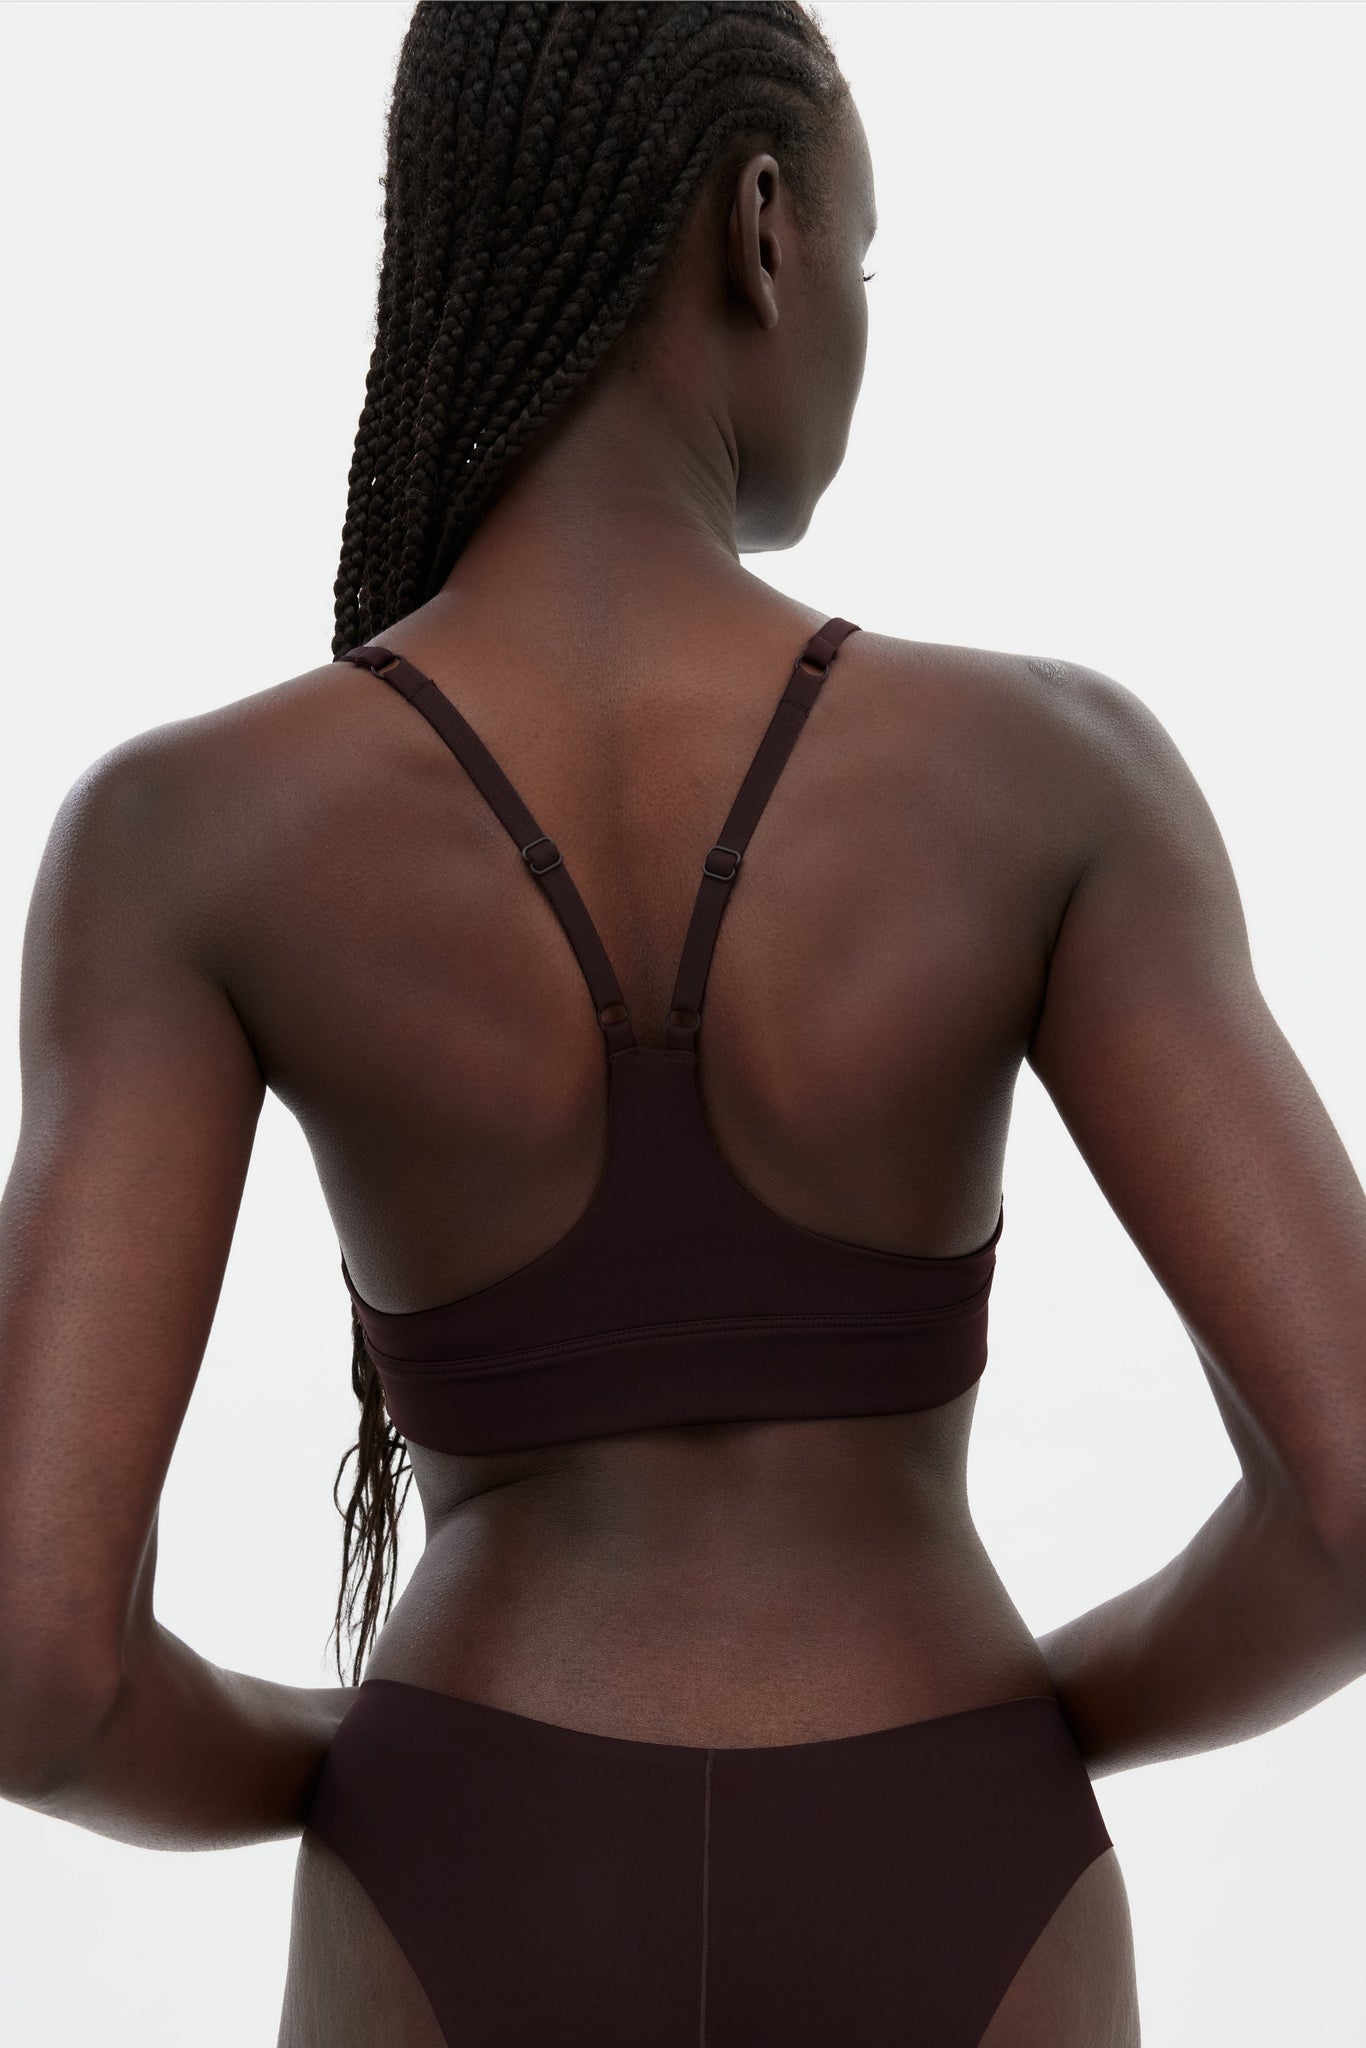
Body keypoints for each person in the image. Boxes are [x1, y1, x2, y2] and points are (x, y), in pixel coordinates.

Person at [2, 5, 1364, 2044]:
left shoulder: (185, 832)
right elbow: (1350, 1507)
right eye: (865, 254)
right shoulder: (1050, 771)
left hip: (468, 1852)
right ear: (761, 223)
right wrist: (1017, 1719)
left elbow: (39, 1672)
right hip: (957, 1849)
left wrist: (373, 1755)